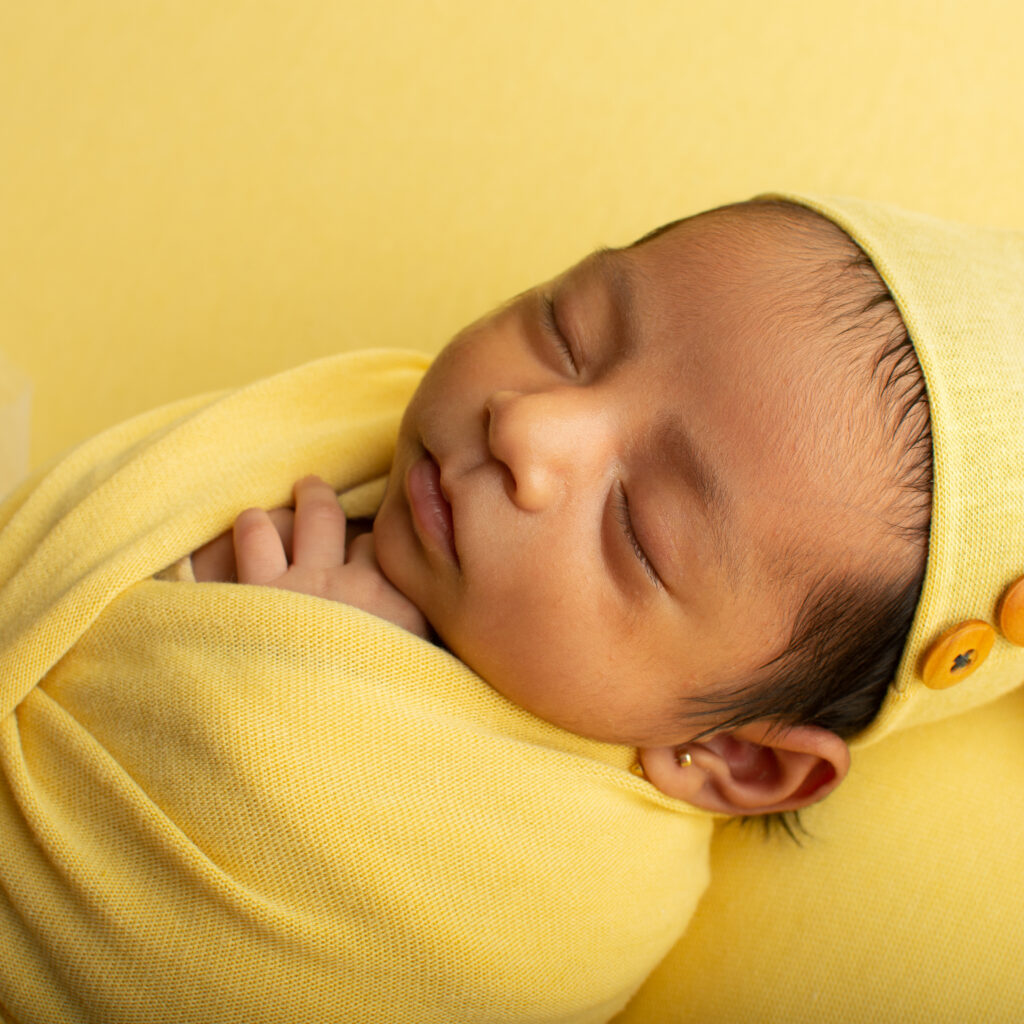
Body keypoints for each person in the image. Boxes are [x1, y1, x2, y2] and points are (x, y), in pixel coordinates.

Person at [186, 197, 933, 820]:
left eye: (636, 529)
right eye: (563, 332)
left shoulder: (548, 875)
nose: (524, 424)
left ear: (732, 753)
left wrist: (280, 695)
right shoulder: (349, 420)